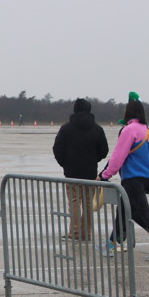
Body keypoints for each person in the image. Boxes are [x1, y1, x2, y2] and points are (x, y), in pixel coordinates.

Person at [98, 99, 149, 261]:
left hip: (132, 178)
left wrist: (105, 175)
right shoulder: (148, 130)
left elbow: (118, 156)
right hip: (143, 177)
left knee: (142, 211)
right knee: (123, 211)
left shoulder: (129, 130)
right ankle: (110, 244)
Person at [52, 98, 109, 239]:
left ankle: (75, 231)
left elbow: (57, 148)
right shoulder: (97, 129)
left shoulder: (66, 128)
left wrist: (64, 163)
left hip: (71, 171)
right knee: (88, 203)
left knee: (74, 202)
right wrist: (94, 159)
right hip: (90, 171)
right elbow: (104, 150)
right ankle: (86, 232)